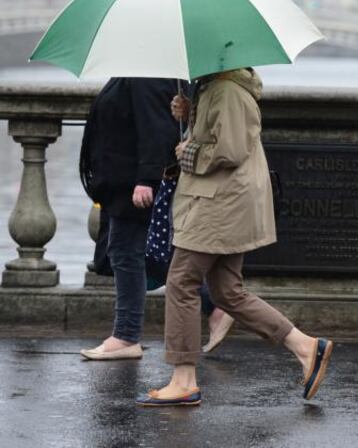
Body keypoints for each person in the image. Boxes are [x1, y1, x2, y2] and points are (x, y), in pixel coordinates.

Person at [137, 68, 333, 407]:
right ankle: (305, 346)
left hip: (218, 204)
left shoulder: (227, 90)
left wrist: (187, 152)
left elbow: (230, 149)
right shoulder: (216, 88)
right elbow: (222, 133)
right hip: (225, 202)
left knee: (182, 282)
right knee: (227, 291)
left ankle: (183, 379)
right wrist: (192, 112)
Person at [78, 78, 178, 361]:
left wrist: (146, 179)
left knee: (126, 253)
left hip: (132, 184)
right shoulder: (131, 74)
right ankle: (217, 303)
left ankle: (126, 336)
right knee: (143, 255)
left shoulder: (145, 77)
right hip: (122, 183)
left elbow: (156, 130)